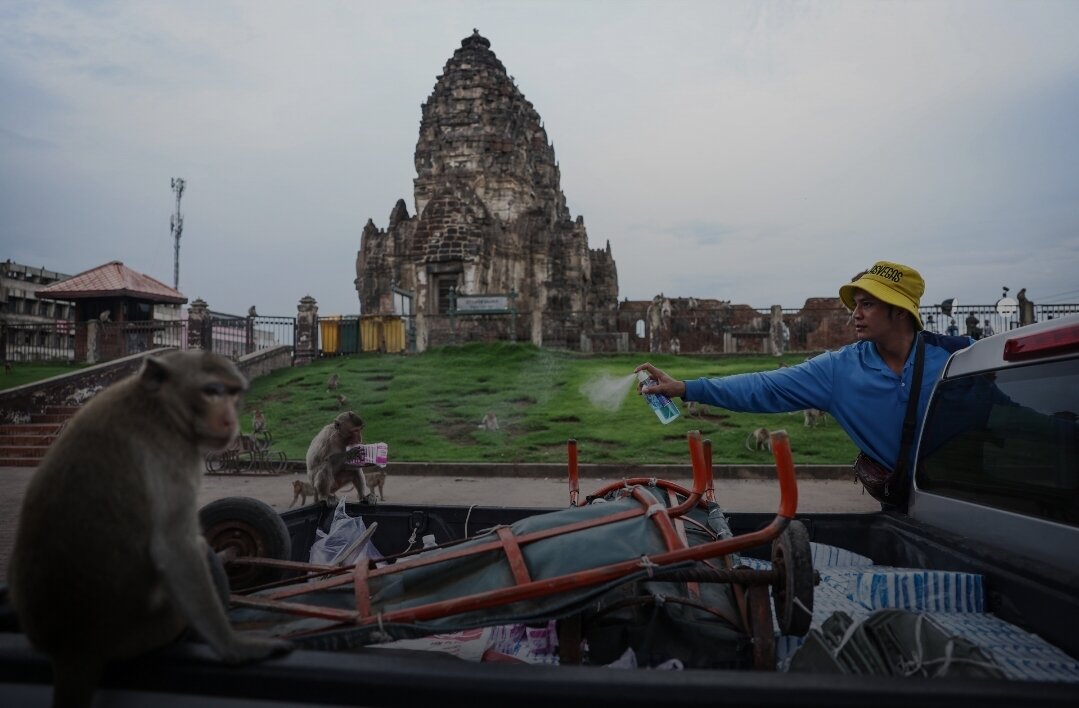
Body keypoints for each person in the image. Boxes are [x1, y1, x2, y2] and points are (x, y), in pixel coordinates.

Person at [636, 260, 974, 507]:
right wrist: (685, 388)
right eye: (855, 305)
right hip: (903, 504)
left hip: (973, 496)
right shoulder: (839, 370)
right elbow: (764, 386)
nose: (855, 314)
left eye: (867, 305)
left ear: (900, 311)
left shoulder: (957, 359)